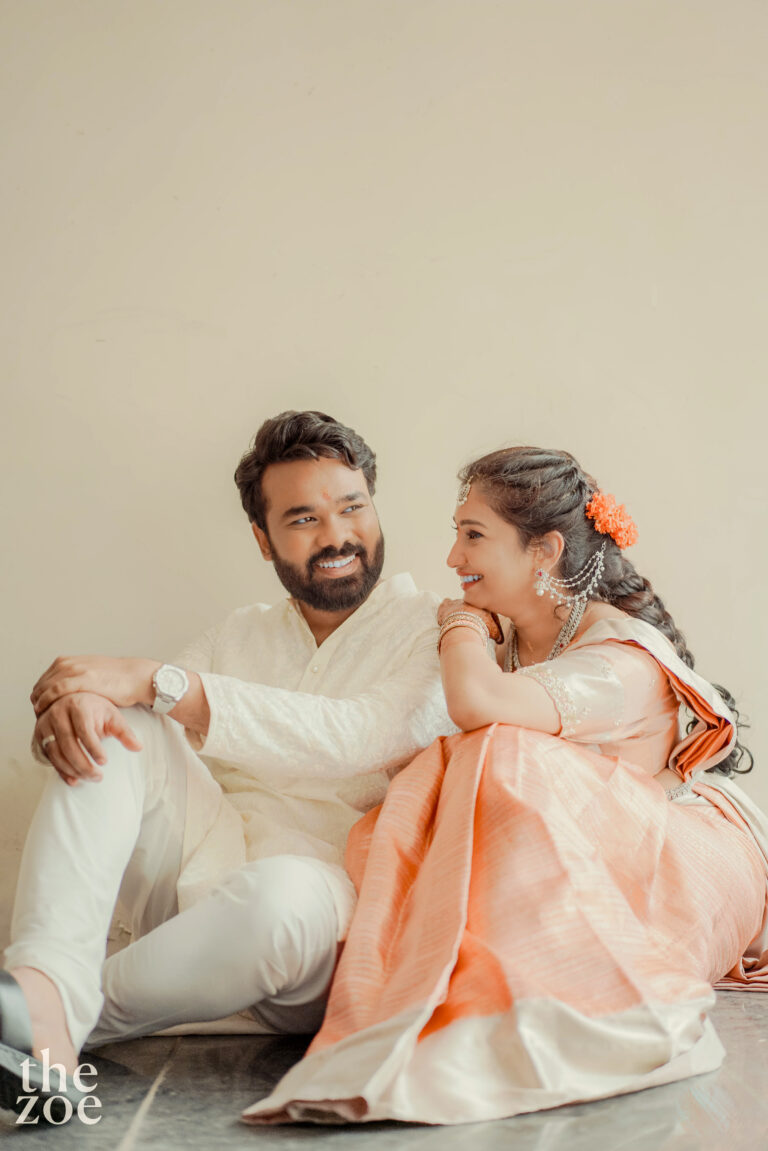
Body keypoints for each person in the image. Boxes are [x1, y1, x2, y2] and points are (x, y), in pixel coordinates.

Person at [243, 445, 768, 1127]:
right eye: (457, 533)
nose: (452, 556)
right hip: (597, 851)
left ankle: (523, 1015)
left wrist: (459, 625)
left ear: (544, 551)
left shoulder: (617, 659)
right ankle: (449, 991)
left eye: (473, 535)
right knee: (443, 778)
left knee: (500, 754)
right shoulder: (513, 639)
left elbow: (478, 706)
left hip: (683, 857)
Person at [0, 410, 452, 1122]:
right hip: (195, 882)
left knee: (281, 896)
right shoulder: (240, 632)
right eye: (303, 518)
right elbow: (141, 728)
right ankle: (42, 988)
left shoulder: (438, 629)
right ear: (263, 538)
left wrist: (154, 679)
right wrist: (79, 707)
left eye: (352, 507)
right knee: (122, 720)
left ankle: (45, 1009)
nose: (336, 535)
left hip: (316, 915)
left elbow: (358, 735)